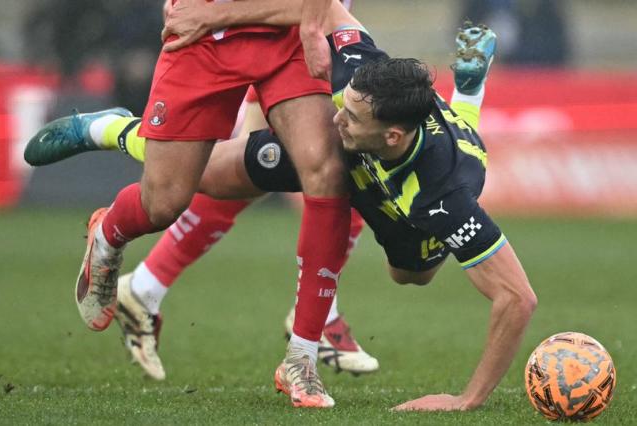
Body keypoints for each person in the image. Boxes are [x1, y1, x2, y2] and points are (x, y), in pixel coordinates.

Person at [27, 3, 537, 411]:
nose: (337, 117)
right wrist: (221, 16)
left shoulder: (442, 197)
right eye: (346, 103)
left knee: (412, 273)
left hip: (414, 176)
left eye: (353, 116)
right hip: (238, 42)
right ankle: (115, 134)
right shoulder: (361, 73)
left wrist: (466, 401)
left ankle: (468, 92)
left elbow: (518, 299)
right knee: (185, 186)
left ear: (391, 133)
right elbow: (333, 14)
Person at [64, 0, 351, 409]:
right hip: (205, 37)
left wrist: (316, 26)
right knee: (165, 200)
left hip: (284, 27)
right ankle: (108, 233)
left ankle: (301, 359)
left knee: (328, 170)